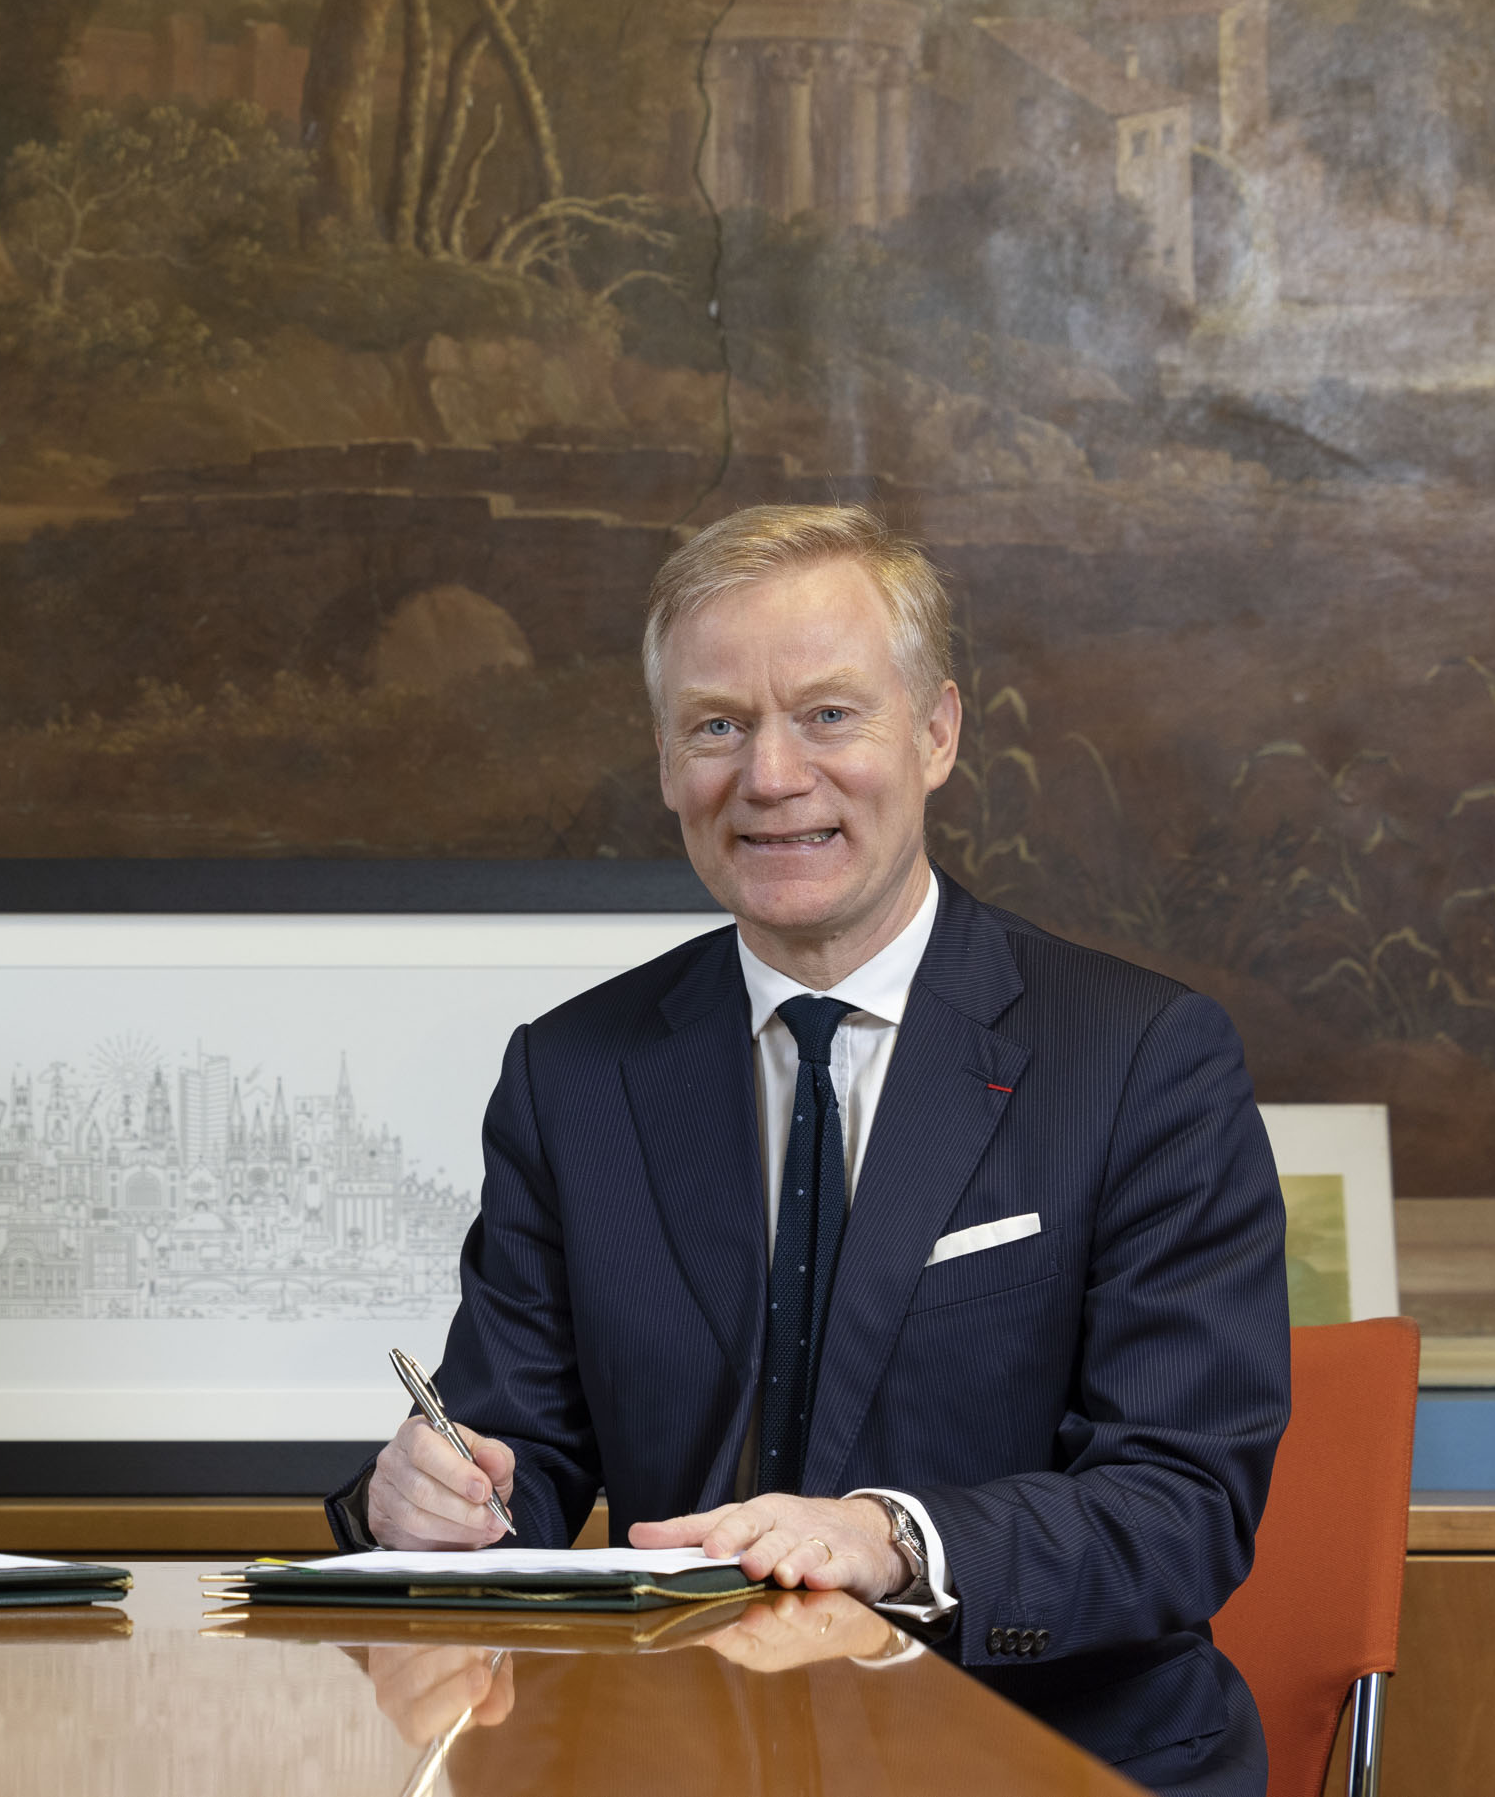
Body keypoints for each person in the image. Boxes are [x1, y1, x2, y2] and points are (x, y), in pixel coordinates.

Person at [337, 505, 1288, 1796]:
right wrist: (437, 1507)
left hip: (1045, 1764)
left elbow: (1182, 1502)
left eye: (829, 715)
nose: (771, 775)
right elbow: (520, 1459)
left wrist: (887, 1537)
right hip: (673, 1762)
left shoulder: (1143, 1061)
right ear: (669, 763)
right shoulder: (575, 1076)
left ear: (937, 731)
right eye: (717, 724)